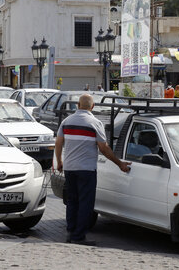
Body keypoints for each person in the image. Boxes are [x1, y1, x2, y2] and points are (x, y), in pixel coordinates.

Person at [55, 94, 131, 245]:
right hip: (86, 170)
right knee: (85, 203)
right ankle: (79, 236)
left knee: (72, 201)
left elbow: (58, 143)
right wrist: (119, 163)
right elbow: (104, 148)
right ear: (93, 106)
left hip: (70, 168)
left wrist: (59, 161)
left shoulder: (66, 121)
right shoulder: (95, 123)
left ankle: (71, 233)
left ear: (77, 105)